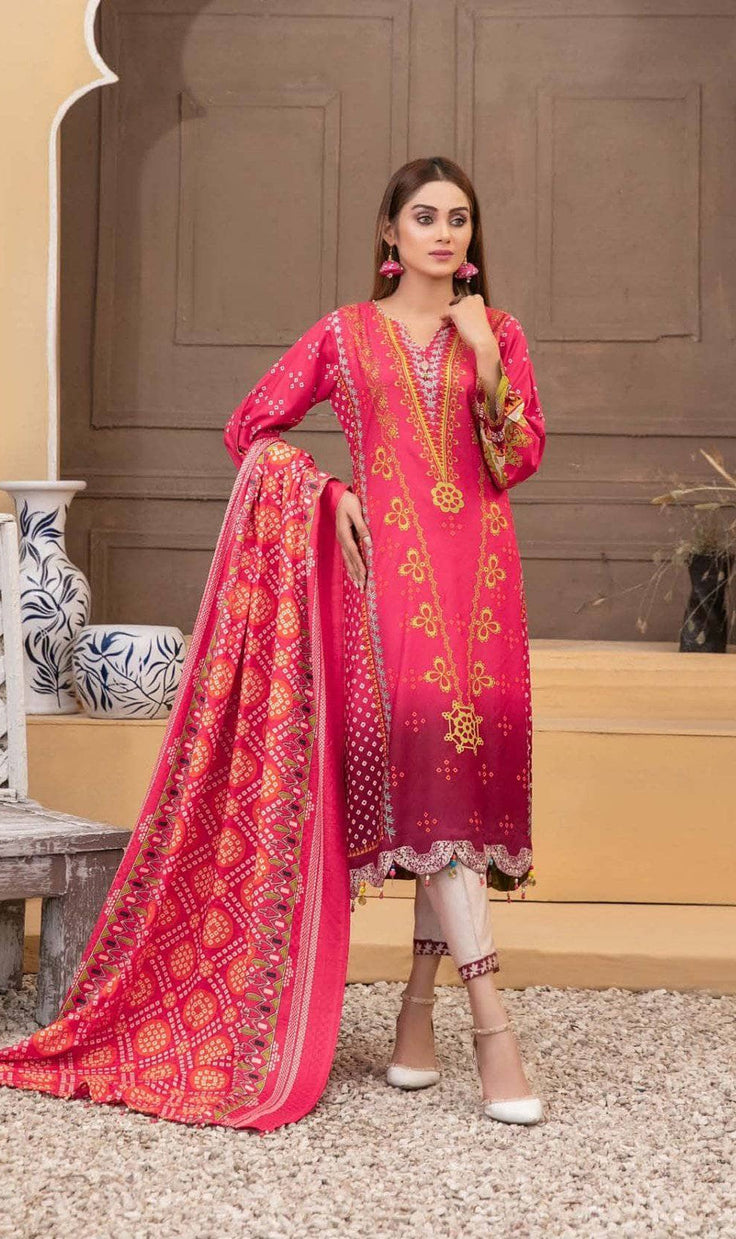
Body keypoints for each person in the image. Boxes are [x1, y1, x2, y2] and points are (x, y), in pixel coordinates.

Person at [222, 155, 547, 1124]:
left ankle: (414, 1017)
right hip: (391, 588)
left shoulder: (499, 333)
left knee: (455, 793)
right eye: (425, 216)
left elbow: (516, 458)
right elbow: (250, 429)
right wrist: (327, 494)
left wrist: (485, 356)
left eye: (459, 218)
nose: (444, 232)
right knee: (431, 785)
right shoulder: (343, 334)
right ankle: (492, 1028)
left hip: (482, 583)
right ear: (388, 232)